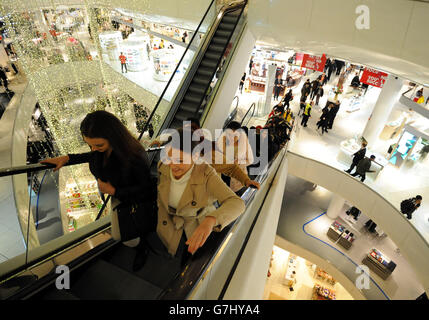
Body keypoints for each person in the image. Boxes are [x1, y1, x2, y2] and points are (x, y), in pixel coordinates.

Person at [40, 111, 157, 271]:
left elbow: (147, 191)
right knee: (123, 232)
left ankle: (143, 247)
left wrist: (113, 190)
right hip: (117, 196)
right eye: (90, 145)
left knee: (126, 234)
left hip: (131, 199)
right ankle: (139, 243)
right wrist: (67, 158)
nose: (94, 149)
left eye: (98, 145)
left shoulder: (134, 157)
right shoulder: (102, 151)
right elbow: (92, 156)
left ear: (113, 137)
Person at [153, 128, 245, 261]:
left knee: (189, 260)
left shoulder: (207, 174)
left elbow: (237, 203)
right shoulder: (163, 165)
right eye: (169, 158)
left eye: (179, 160)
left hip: (194, 229)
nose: (173, 166)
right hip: (168, 223)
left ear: (196, 156)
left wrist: (211, 220)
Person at [217, 121, 254, 192]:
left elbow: (250, 160)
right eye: (229, 135)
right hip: (222, 174)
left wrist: (239, 161)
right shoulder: (221, 142)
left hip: (237, 178)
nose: (231, 138)